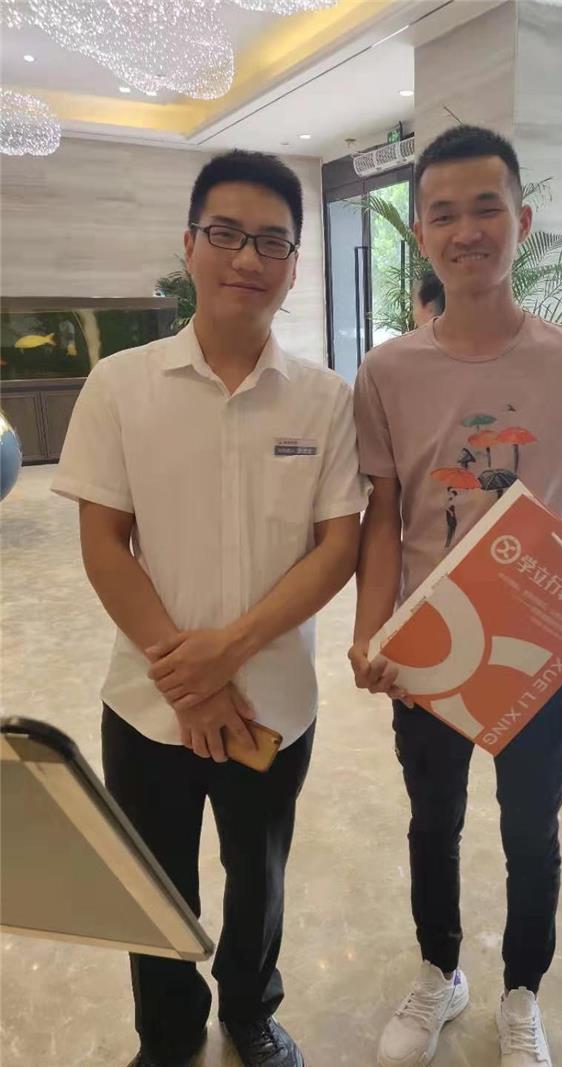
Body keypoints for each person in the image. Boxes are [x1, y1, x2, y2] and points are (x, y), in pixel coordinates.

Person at [349, 125, 562, 1067]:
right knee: (432, 822)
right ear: (422, 235)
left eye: (487, 209)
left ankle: (522, 992)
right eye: (443, 214)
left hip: (536, 645)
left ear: (521, 222)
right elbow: (382, 513)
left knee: (531, 830)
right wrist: (369, 631)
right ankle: (441, 972)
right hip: (429, 646)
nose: (467, 230)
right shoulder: (388, 371)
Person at [53, 149, 368, 1067]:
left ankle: (250, 1010)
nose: (247, 257)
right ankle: (166, 1033)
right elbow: (104, 545)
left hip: (273, 703)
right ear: (189, 245)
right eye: (226, 233)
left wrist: (225, 653)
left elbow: (338, 547)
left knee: (258, 874)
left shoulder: (325, 399)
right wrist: (188, 679)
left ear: (294, 264)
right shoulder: (120, 384)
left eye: (272, 241)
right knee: (154, 882)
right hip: (149, 702)